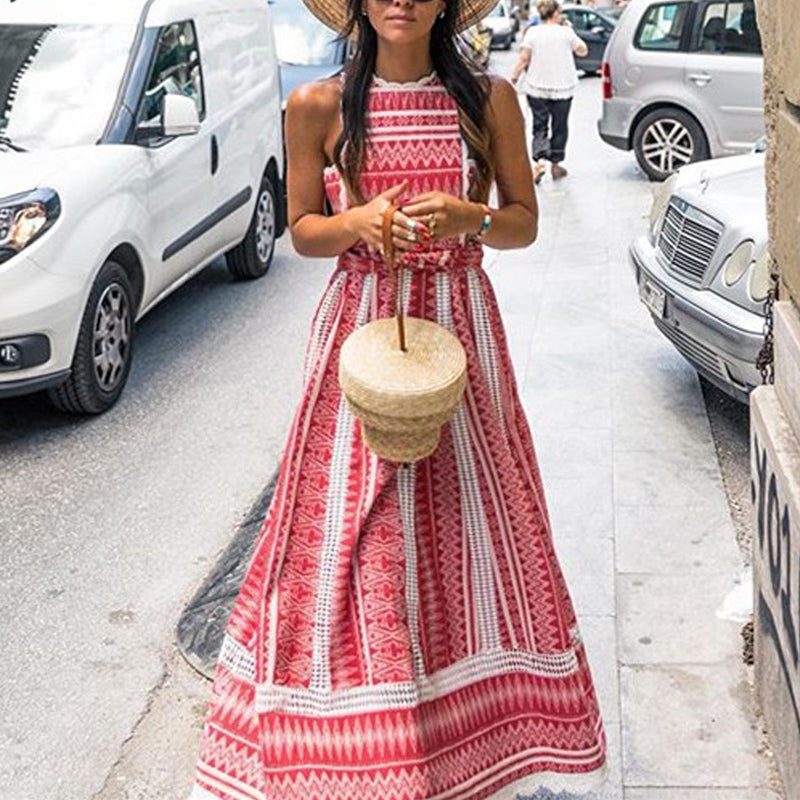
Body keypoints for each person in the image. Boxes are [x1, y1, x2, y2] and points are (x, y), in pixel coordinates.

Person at [188, 0, 607, 796]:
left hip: (461, 338)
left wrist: (467, 216)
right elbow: (302, 230)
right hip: (359, 336)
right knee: (356, 531)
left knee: (470, 522)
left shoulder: (488, 101)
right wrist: (360, 223)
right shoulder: (316, 104)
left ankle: (466, 739)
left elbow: (523, 223)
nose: (401, 1)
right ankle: (365, 744)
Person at [511, 0, 588, 182]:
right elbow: (583, 50)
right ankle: (555, 165)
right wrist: (570, 31)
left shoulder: (533, 32)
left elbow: (523, 58)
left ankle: (539, 164)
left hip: (536, 87)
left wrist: (513, 79)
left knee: (539, 126)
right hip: (563, 87)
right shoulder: (566, 32)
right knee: (560, 126)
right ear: (555, 14)